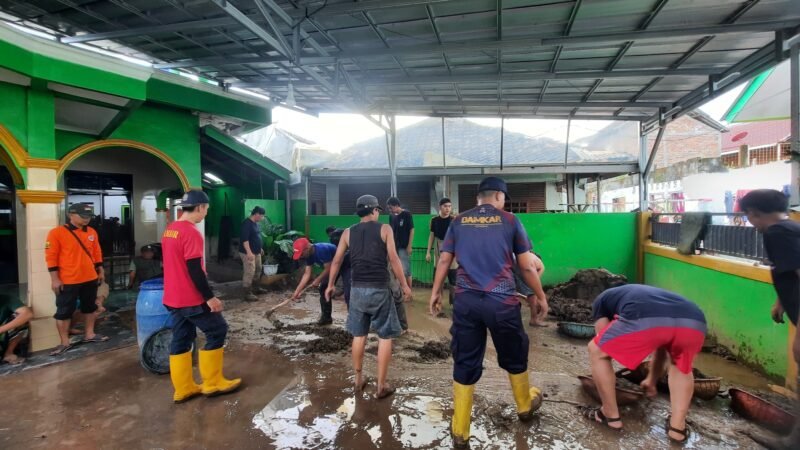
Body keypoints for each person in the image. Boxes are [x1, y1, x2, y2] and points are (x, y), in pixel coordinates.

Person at [428, 177, 547, 448]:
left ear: (478, 197)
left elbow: (445, 259)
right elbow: (527, 266)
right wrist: (539, 296)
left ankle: (460, 430)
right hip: (502, 302)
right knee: (515, 353)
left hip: (466, 301)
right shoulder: (510, 220)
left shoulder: (458, 221)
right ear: (500, 197)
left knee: (465, 359)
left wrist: (435, 291)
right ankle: (524, 406)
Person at [585, 284, 706, 443]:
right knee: (681, 367)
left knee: (597, 351)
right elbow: (662, 342)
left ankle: (609, 414)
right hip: (694, 320)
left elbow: (604, 339)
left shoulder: (601, 302)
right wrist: (652, 379)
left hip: (645, 314)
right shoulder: (644, 294)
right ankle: (677, 428)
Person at [326, 194, 412, 399]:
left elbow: (337, 261)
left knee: (359, 335)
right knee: (385, 336)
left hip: (356, 290)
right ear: (374, 210)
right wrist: (405, 285)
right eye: (378, 210)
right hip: (380, 289)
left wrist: (330, 285)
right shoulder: (385, 229)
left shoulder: (348, 232)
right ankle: (381, 386)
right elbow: (393, 259)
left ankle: (358, 380)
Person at [162, 190, 241, 403]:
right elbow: (194, 269)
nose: (205, 213)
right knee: (217, 330)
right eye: (206, 209)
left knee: (182, 338)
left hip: (172, 297)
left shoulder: (171, 229)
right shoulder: (190, 232)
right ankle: (212, 383)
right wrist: (210, 298)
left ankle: (184, 388)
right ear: (199, 207)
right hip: (191, 298)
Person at [740, 189, 800, 449]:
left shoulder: (778, 234)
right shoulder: (791, 228)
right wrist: (781, 301)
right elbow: (791, 272)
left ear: (753, 213)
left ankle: (792, 442)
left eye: (748, 216)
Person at [46, 202, 109, 356]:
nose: (86, 219)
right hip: (68, 280)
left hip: (90, 278)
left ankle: (89, 334)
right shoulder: (56, 233)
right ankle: (64, 342)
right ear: (70, 215)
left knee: (90, 308)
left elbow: (96, 252)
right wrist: (55, 279)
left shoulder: (92, 231)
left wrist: (100, 270)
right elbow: (51, 257)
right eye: (83, 216)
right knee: (64, 311)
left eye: (88, 216)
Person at [291, 237, 338, 325]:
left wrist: (317, 280)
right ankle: (326, 318)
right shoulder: (308, 255)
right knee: (324, 289)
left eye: (301, 254)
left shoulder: (322, 250)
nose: (301, 256)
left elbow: (328, 268)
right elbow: (306, 274)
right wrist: (297, 292)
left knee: (348, 291)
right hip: (332, 267)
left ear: (308, 248)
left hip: (343, 265)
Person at [425, 198, 457, 306]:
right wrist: (428, 252)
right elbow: (431, 236)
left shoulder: (454, 220)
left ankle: (454, 304)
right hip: (438, 249)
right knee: (438, 279)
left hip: (452, 250)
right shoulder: (434, 220)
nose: (448, 208)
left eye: (449, 206)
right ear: (440, 207)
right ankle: (438, 302)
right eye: (445, 206)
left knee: (453, 279)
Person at [239, 206, 267, 302]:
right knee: (249, 271)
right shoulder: (246, 224)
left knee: (258, 269)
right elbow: (245, 240)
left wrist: (260, 248)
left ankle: (256, 288)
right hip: (247, 252)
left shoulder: (255, 223)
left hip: (257, 251)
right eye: (262, 216)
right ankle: (247, 293)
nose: (262, 218)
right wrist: (249, 253)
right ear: (257, 214)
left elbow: (256, 237)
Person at [513, 251, 547, 327]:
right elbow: (534, 283)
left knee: (511, 289)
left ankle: (512, 317)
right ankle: (534, 320)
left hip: (511, 262)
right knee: (533, 294)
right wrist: (539, 297)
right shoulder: (541, 265)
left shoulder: (524, 255)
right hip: (522, 265)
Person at [387, 197, 414, 289]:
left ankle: (409, 292)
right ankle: (399, 291)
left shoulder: (406, 214)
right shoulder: (392, 216)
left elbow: (412, 230)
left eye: (391, 207)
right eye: (389, 208)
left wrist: (409, 246)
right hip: (394, 246)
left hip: (404, 246)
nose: (390, 210)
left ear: (397, 205)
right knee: (395, 269)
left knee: (406, 270)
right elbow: (390, 231)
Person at [0, 293, 32, 365]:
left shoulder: (7, 298)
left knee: (20, 319)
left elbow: (27, 314)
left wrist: (1, 329)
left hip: (4, 336)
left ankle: (8, 353)